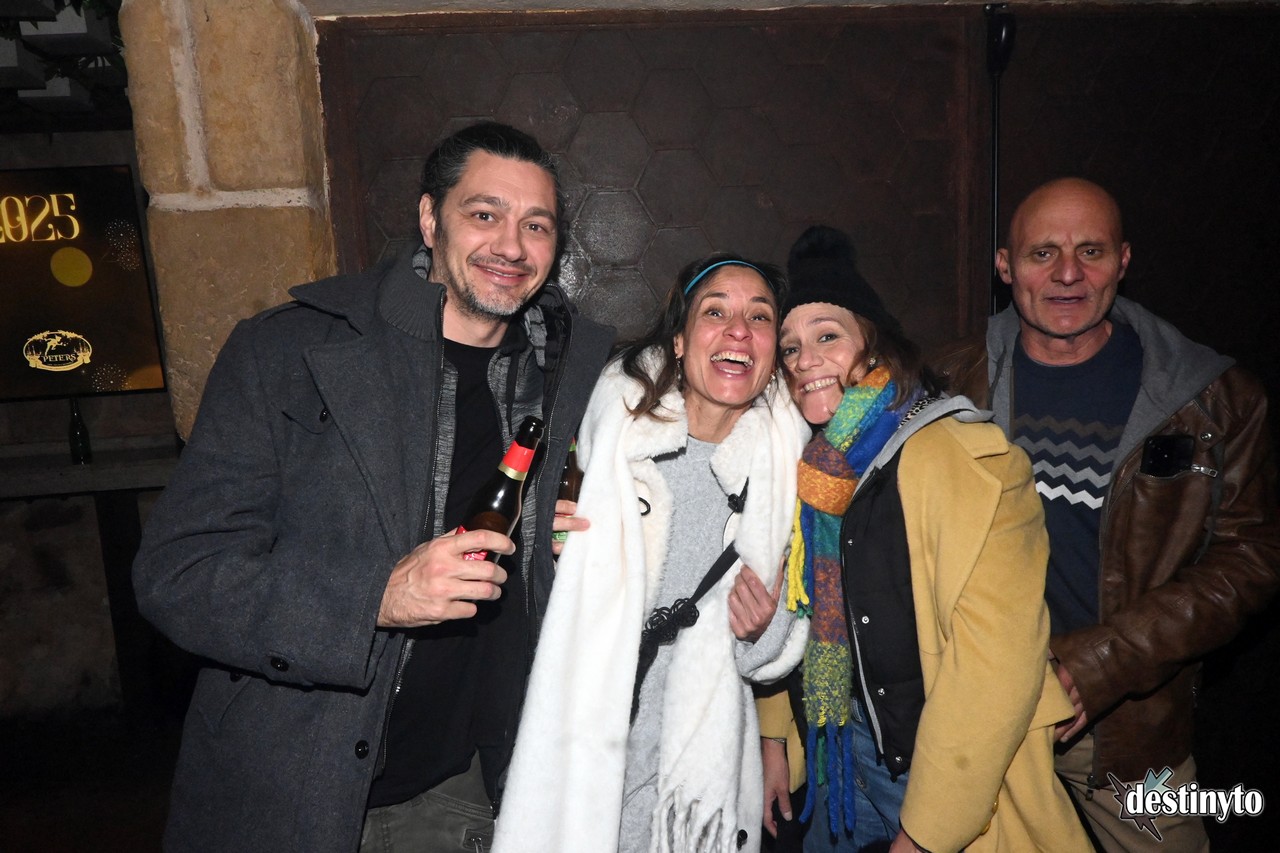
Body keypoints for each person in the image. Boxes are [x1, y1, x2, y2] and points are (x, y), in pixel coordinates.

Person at [132, 122, 615, 853]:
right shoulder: (290, 352)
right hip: (288, 780)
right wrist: (377, 599)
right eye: (485, 214)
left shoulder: (571, 377)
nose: (511, 246)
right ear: (430, 218)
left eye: (536, 225)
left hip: (459, 788)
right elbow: (178, 574)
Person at [933, 177, 1280, 851]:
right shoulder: (948, 382)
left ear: (1123, 260)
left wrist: (1104, 664)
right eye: (1042, 253)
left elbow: (1252, 557)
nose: (1067, 273)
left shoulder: (1215, 399)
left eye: (1089, 251)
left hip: (1125, 729)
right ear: (1005, 266)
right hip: (972, 714)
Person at [760, 225, 1092, 853]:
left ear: (874, 343)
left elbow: (993, 668)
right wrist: (774, 736)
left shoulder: (972, 460)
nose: (804, 361)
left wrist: (925, 832)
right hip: (837, 757)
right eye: (790, 348)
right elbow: (796, 608)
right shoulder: (813, 469)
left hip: (938, 776)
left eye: (827, 336)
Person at [491, 255, 811, 853]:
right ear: (681, 341)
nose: (739, 331)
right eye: (715, 311)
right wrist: (548, 552)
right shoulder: (609, 441)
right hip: (591, 745)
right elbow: (532, 594)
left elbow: (771, 654)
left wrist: (765, 626)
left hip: (700, 771)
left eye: (759, 317)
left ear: (773, 352)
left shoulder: (791, 473)